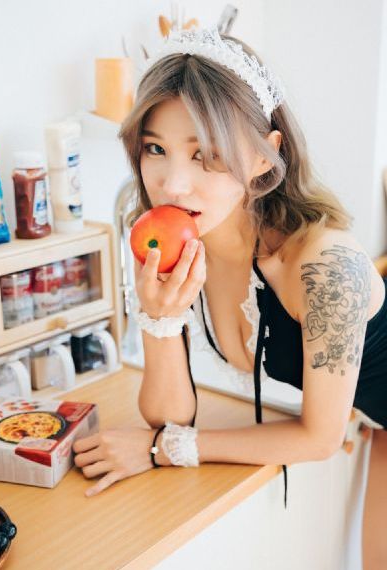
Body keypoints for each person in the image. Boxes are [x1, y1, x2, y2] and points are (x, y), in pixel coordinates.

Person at [72, 27, 387, 568]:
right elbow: (169, 416)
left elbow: (318, 438)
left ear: (266, 156)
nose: (173, 184)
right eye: (156, 149)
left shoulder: (326, 265)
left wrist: (164, 450)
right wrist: (160, 320)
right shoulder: (170, 239)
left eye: (207, 154)